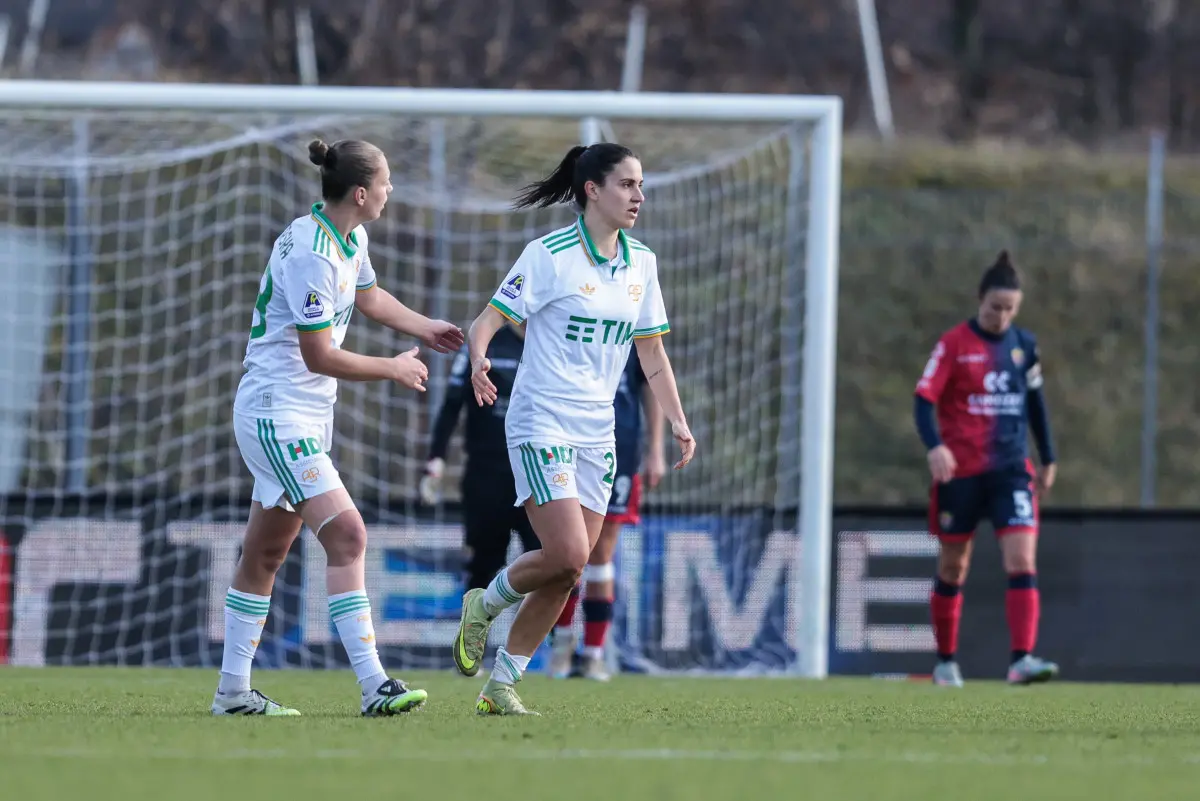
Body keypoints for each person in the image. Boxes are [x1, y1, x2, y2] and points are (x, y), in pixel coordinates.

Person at [216, 138, 464, 717]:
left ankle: (231, 692)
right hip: (277, 413)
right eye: (385, 182)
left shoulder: (348, 236)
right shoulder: (311, 253)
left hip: (297, 415)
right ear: (361, 192)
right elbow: (319, 356)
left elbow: (370, 297)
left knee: (266, 553)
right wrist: (394, 368)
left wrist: (425, 328)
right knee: (348, 536)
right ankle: (375, 684)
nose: (390, 190)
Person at [451, 142, 696, 716]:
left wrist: (680, 422)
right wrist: (481, 358)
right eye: (627, 184)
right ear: (593, 190)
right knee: (565, 550)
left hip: (598, 431)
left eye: (641, 185)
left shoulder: (643, 264)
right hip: (541, 420)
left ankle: (501, 685)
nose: (639, 195)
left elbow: (652, 354)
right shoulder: (549, 254)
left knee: (572, 566)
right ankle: (484, 606)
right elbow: (485, 321)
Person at [914, 250, 1059, 688]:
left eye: (1010, 309)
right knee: (954, 567)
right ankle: (945, 663)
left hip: (1012, 469)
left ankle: (1021, 660)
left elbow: (1036, 403)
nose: (1001, 316)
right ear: (980, 300)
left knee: (1021, 558)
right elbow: (924, 401)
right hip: (961, 472)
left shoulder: (1024, 346)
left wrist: (1048, 455)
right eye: (995, 307)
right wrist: (935, 446)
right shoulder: (954, 344)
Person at [548, 347, 665, 681]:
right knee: (571, 551)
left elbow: (652, 382)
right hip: (571, 444)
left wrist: (655, 449)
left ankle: (593, 655)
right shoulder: (578, 317)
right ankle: (562, 645)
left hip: (622, 449)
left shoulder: (633, 320)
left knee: (601, 554)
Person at [419, 321, 541, 591]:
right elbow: (452, 403)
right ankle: (472, 634)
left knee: (550, 566)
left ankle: (555, 634)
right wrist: (436, 460)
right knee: (482, 568)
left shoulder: (552, 344)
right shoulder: (486, 345)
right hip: (486, 476)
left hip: (538, 476)